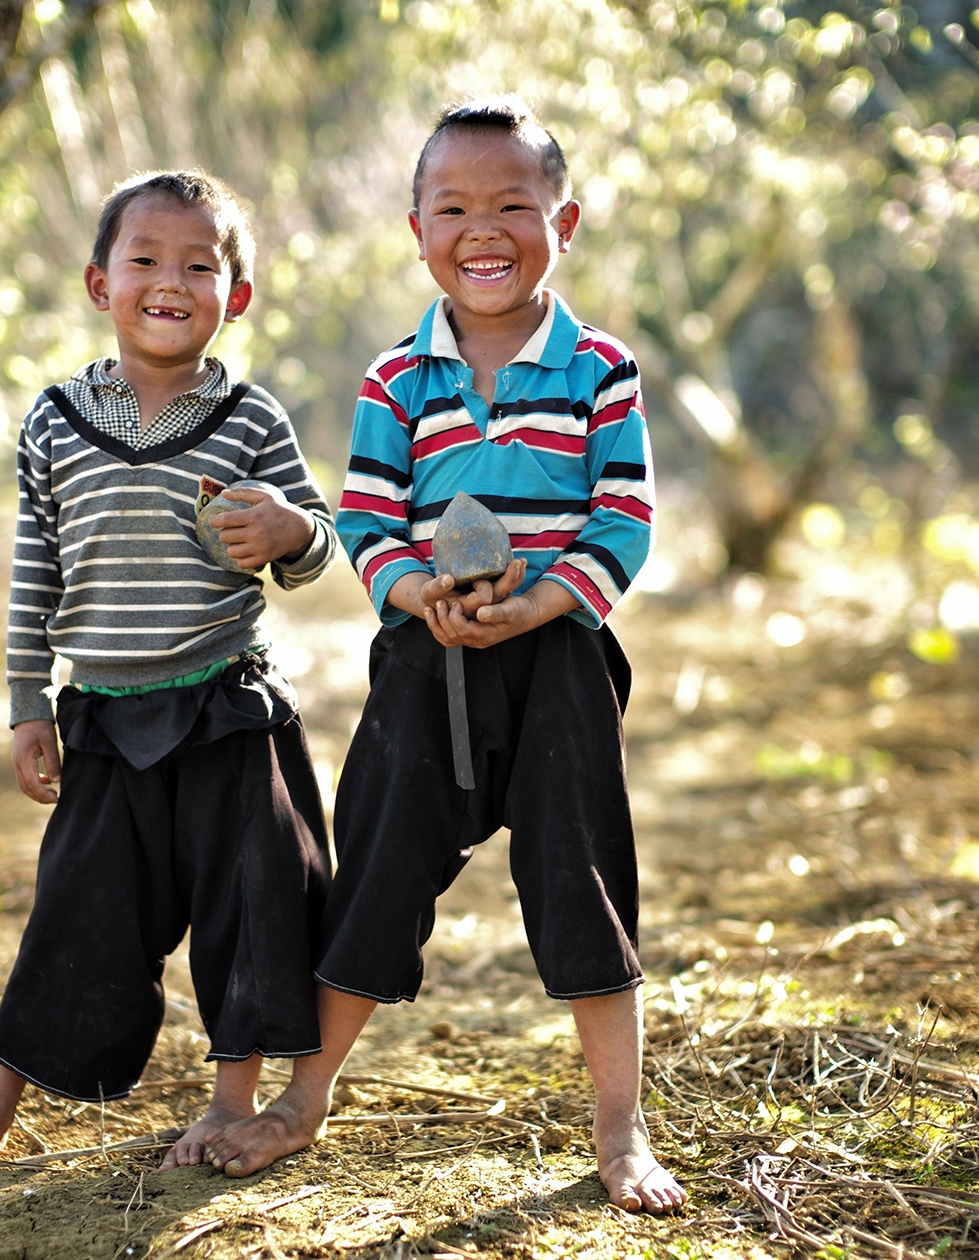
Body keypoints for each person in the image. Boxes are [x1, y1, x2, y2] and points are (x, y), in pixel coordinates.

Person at [206, 97, 686, 1215]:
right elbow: (369, 522)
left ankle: (621, 1127)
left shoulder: (601, 370)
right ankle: (304, 1100)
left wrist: (543, 605)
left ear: (565, 222)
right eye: (454, 207)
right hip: (425, 666)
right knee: (376, 865)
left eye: (514, 205)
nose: (484, 230)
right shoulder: (397, 380)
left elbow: (624, 520)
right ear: (417, 228)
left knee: (584, 874)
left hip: (561, 660)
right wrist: (416, 593)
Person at [0, 169, 338, 1172]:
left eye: (200, 266)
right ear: (101, 283)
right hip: (100, 713)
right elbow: (34, 577)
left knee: (248, 907)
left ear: (237, 296)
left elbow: (314, 548)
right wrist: (27, 705)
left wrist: (289, 530)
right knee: (74, 910)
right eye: (145, 259)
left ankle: (230, 1107)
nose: (170, 280)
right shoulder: (56, 420)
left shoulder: (253, 419)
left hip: (228, 711)